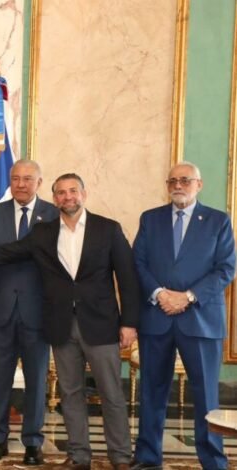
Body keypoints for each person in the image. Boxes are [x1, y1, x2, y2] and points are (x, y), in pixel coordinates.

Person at [0, 173, 138, 470]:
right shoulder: (44, 232)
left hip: (100, 324)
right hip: (60, 325)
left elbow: (128, 277)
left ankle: (120, 456)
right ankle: (79, 455)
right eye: (61, 193)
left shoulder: (108, 229)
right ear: (54, 198)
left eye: (73, 191)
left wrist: (129, 323)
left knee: (111, 393)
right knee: (70, 393)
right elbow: (3, 253)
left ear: (84, 194)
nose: (67, 197)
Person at [131, 162, 235, 470]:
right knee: (152, 392)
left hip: (200, 320)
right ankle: (148, 457)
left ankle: (213, 461)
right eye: (173, 181)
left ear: (199, 185)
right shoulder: (150, 219)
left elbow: (226, 268)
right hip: (157, 317)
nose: (178, 185)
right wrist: (160, 294)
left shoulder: (218, 221)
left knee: (206, 396)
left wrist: (187, 296)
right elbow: (138, 262)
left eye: (185, 180)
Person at [0, 160, 58, 465]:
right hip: (1, 309)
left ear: (39, 182)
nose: (21, 184)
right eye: (15, 178)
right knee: (1, 378)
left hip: (38, 311)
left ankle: (33, 442)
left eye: (28, 179)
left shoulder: (54, 214)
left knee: (36, 380)